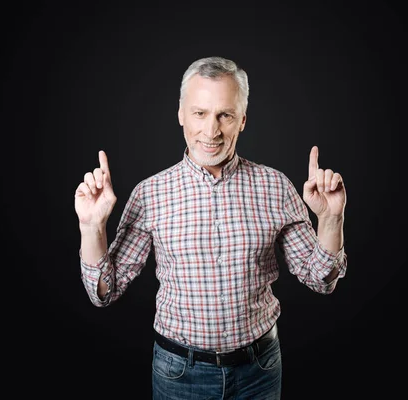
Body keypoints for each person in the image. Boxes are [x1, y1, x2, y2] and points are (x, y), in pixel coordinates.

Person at [75, 56, 347, 399]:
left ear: (243, 120)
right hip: (179, 374)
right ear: (180, 114)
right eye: (200, 113)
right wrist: (91, 226)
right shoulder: (150, 194)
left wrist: (332, 218)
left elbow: (321, 280)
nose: (211, 131)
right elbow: (104, 292)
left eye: (225, 115)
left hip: (259, 371)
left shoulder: (275, 187)